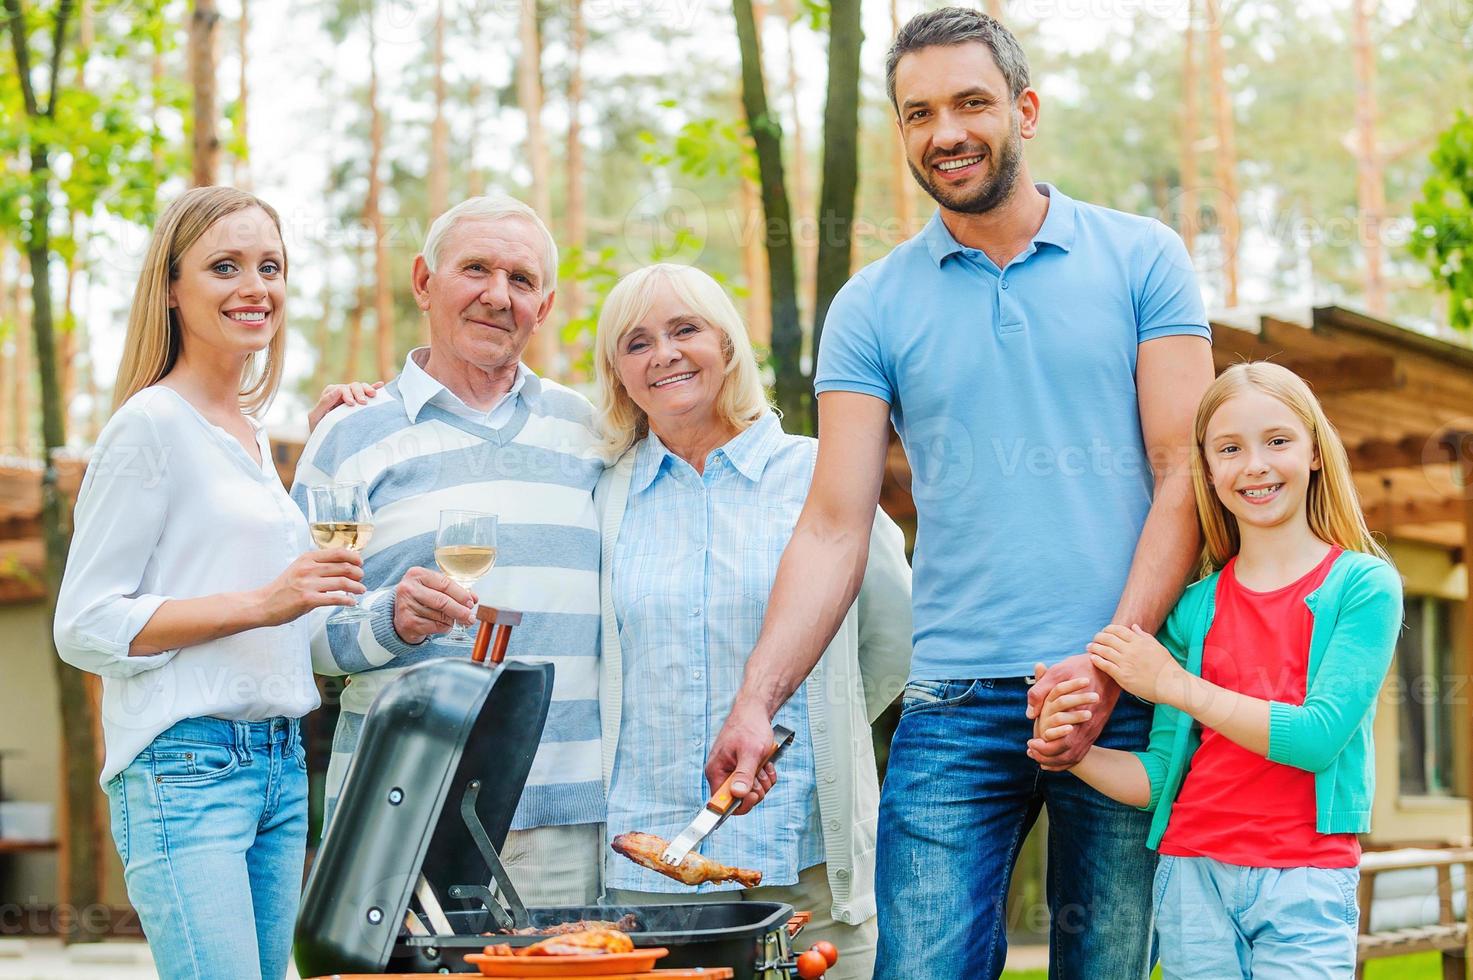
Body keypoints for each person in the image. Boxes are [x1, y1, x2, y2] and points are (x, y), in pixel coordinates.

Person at [704, 7, 1218, 978]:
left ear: (1023, 108)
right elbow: (831, 525)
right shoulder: (871, 305)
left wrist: (1110, 662)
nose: (945, 132)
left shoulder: (1143, 258)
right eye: (918, 112)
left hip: (1124, 689)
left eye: (971, 102)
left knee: (1105, 966)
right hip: (952, 700)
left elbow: (1182, 475)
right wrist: (753, 700)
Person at [54, 186, 365, 980]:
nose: (254, 286)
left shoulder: (252, 439)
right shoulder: (149, 426)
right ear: (171, 287)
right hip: (186, 769)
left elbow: (240, 569)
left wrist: (320, 441)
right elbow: (84, 623)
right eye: (224, 266)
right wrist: (266, 601)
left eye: (270, 266)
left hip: (280, 766)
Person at [589, 264, 913, 978]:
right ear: (618, 374)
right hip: (648, 871)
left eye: (684, 330)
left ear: (728, 346)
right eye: (636, 343)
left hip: (806, 853)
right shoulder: (604, 496)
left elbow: (893, 639)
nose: (663, 354)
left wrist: (811, 717)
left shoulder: (818, 474)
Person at [1031, 362, 1402, 979]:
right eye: (1229, 448)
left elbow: (1317, 737)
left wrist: (1172, 684)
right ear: (1208, 470)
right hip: (1190, 876)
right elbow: (1160, 776)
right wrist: (1070, 751)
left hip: (1306, 880)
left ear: (1315, 451)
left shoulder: (1362, 587)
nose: (1254, 464)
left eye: (1277, 441)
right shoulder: (1193, 610)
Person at [292, 194, 605, 905]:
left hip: (564, 822)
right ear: (424, 282)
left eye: (521, 280)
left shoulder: (584, 432)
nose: (498, 296)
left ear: (545, 305)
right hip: (401, 809)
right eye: (475, 270)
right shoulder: (348, 437)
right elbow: (295, 630)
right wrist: (389, 622)